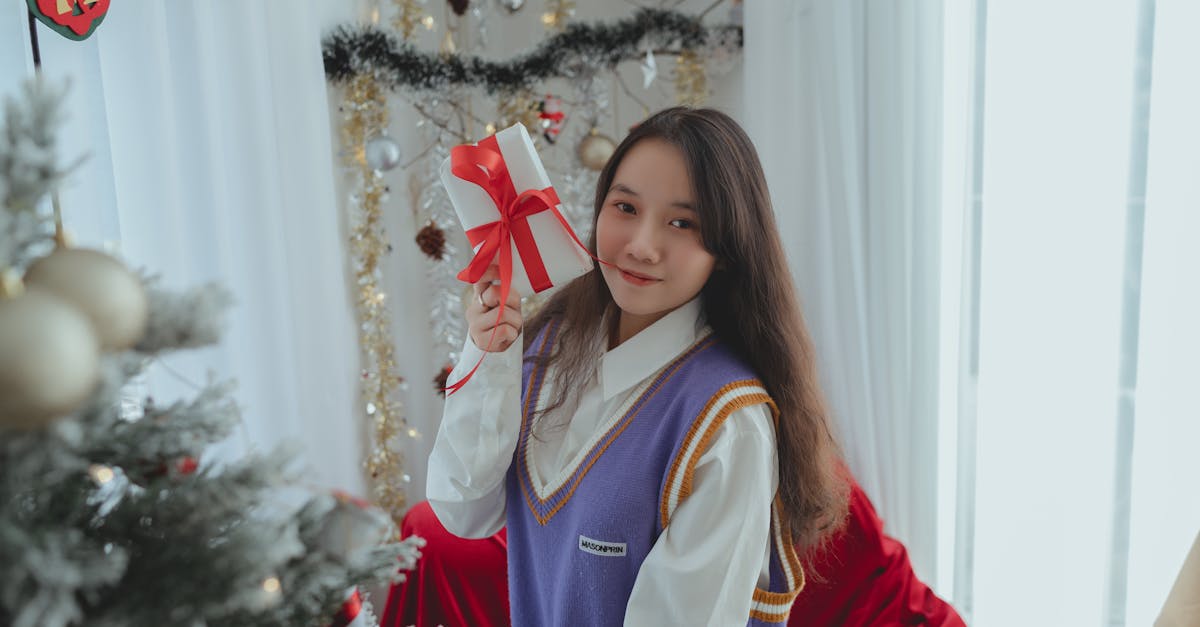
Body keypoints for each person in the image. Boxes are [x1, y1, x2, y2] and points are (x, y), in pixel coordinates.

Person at [426, 107, 848, 626]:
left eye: (682, 223)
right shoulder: (551, 347)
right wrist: (488, 356)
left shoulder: (726, 422)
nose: (642, 247)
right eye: (625, 207)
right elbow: (464, 510)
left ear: (728, 250)